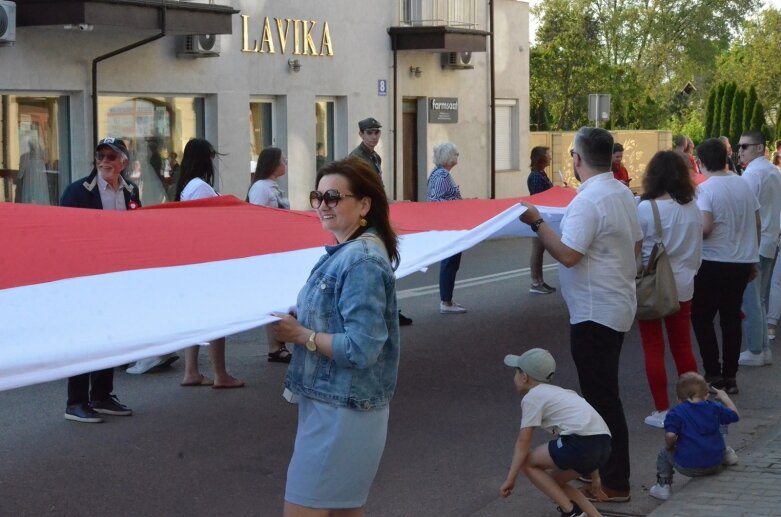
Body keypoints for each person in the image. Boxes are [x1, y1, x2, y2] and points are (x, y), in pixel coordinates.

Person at [270, 157, 401, 516]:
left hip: (342, 414)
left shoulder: (360, 261)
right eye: (318, 196)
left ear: (364, 204)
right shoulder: (351, 253)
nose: (323, 205)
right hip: (339, 408)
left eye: (333, 196)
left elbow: (362, 348)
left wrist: (302, 334)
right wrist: (306, 319)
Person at [520, 127, 641, 502]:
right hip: (615, 305)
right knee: (603, 396)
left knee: (601, 400)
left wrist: (538, 223)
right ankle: (602, 476)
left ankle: (615, 480)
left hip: (594, 313)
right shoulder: (620, 191)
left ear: (577, 159)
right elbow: (636, 245)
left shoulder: (588, 201)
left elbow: (569, 253)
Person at [59, 137, 139, 423]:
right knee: (83, 335)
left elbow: (136, 230)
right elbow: (64, 236)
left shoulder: (131, 190)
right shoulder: (77, 191)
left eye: (111, 156)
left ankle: (102, 395)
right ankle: (76, 401)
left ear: (123, 162)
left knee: (110, 334)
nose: (104, 161)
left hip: (116, 276)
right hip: (85, 276)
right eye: (100, 156)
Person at [635, 151, 703, 428]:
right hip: (685, 283)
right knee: (683, 345)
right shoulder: (692, 207)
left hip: (653, 286)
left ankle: (662, 410)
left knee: (653, 347)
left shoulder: (645, 208)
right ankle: (695, 403)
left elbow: (636, 252)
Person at [500, 348, 609, 517]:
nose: (514, 377)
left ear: (524, 377)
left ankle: (570, 511)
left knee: (528, 462)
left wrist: (510, 478)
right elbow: (591, 431)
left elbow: (524, 441)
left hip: (581, 443)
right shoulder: (560, 394)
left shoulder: (532, 397)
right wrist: (595, 476)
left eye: (516, 372)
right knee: (554, 483)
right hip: (603, 445)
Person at [691, 138, 760, 394]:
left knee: (702, 317)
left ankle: (713, 372)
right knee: (731, 317)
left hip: (713, 260)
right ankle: (731, 375)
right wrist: (752, 257)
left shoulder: (706, 189)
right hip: (741, 261)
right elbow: (756, 222)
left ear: (700, 162)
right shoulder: (744, 184)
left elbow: (706, 228)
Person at [175, 138, 244, 389]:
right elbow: (211, 223)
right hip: (207, 258)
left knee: (194, 316)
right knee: (217, 316)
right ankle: (220, 373)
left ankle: (191, 371)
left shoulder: (186, 186)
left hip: (192, 257)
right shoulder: (201, 188)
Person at [348, 116, 412, 326]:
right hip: (365, 218)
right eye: (370, 133)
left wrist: (392, 202)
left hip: (377, 214)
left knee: (385, 263)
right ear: (361, 134)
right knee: (370, 265)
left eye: (377, 132)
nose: (374, 136)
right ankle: (373, 311)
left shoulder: (375, 157)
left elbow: (378, 187)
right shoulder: (356, 159)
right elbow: (362, 191)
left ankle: (389, 310)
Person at [648, 372, 739, 501]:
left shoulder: (676, 412)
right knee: (720, 423)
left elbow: (670, 435)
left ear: (678, 399)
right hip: (715, 463)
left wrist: (670, 445)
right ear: (706, 395)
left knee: (664, 453)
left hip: (690, 467)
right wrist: (725, 398)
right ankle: (726, 453)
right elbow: (734, 416)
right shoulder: (714, 407)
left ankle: (663, 486)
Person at [737, 130, 781, 367]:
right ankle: (762, 348)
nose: (740, 150)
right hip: (769, 240)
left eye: (745, 146)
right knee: (759, 299)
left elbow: (745, 211)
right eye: (740, 146)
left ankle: (756, 349)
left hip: (755, 243)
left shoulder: (753, 174)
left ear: (760, 148)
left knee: (751, 300)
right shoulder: (772, 171)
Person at [246, 146, 292, 363]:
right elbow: (254, 219)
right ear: (273, 164)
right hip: (269, 251)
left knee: (282, 297)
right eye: (283, 160)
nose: (286, 163)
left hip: (280, 249)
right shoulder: (261, 188)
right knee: (274, 298)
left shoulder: (273, 187)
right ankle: (276, 345)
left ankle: (280, 342)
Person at [427, 142, 467, 314]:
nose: (457, 157)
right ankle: (446, 301)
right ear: (448, 157)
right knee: (450, 262)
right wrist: (458, 204)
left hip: (448, 222)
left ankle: (448, 299)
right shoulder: (442, 175)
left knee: (450, 262)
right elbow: (435, 200)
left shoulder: (438, 173)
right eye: (455, 154)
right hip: (449, 223)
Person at [527, 146, 557, 295]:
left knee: (540, 250)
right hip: (537, 217)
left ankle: (539, 280)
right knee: (537, 249)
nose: (550, 157)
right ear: (541, 158)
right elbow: (539, 198)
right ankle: (535, 282)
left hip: (541, 217)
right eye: (548, 155)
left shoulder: (541, 174)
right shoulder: (536, 176)